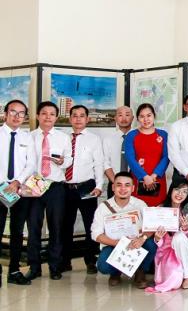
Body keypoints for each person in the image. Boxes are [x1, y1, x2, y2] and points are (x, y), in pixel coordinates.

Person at [27, 101, 73, 281]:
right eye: (44, 113)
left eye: (52, 114)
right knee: (33, 227)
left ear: (56, 117)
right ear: (37, 116)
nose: (48, 117)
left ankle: (55, 267)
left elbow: (69, 159)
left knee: (56, 227)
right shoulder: (29, 137)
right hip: (34, 184)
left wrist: (62, 162)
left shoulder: (63, 137)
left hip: (55, 186)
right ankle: (34, 267)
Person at [92, 171, 157, 288]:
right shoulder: (103, 208)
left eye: (127, 185)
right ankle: (115, 272)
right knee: (103, 266)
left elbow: (151, 226)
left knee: (151, 244)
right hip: (113, 245)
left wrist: (142, 238)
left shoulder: (140, 204)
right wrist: (117, 243)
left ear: (132, 188)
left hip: (136, 243)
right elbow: (96, 234)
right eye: (119, 185)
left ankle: (140, 271)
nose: (123, 189)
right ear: (113, 187)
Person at [61, 105, 105, 275]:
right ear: (70, 118)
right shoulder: (63, 138)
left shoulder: (94, 139)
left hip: (87, 187)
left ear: (87, 119)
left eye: (81, 116)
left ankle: (90, 260)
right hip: (66, 187)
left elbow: (99, 163)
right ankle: (65, 261)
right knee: (65, 225)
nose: (78, 119)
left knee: (90, 225)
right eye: (74, 115)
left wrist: (99, 186)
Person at [0, 99, 36, 286]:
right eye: (13, 112)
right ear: (5, 113)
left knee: (17, 231)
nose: (16, 116)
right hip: (0, 188)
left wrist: (16, 182)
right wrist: (3, 184)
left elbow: (31, 164)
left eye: (21, 113)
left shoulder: (27, 137)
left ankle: (14, 270)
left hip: (19, 190)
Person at [147, 181, 188, 292]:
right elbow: (157, 241)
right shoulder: (160, 209)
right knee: (175, 279)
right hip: (165, 252)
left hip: (180, 249)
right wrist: (158, 238)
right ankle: (179, 272)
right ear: (171, 191)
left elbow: (185, 238)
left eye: (184, 192)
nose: (180, 194)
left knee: (179, 236)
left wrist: (184, 227)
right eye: (177, 190)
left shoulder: (186, 210)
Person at [124, 103, 169, 206]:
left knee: (158, 210)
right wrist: (144, 176)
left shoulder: (163, 135)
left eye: (149, 115)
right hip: (138, 178)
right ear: (137, 119)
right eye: (142, 116)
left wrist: (154, 175)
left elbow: (166, 157)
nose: (146, 119)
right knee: (137, 209)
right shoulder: (131, 135)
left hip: (157, 178)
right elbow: (130, 158)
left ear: (154, 116)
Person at [102, 106, 134, 198]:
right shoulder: (108, 139)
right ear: (115, 118)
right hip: (114, 183)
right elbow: (105, 163)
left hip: (135, 184)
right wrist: (116, 182)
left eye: (127, 115)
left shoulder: (139, 138)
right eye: (120, 115)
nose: (124, 118)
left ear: (132, 118)